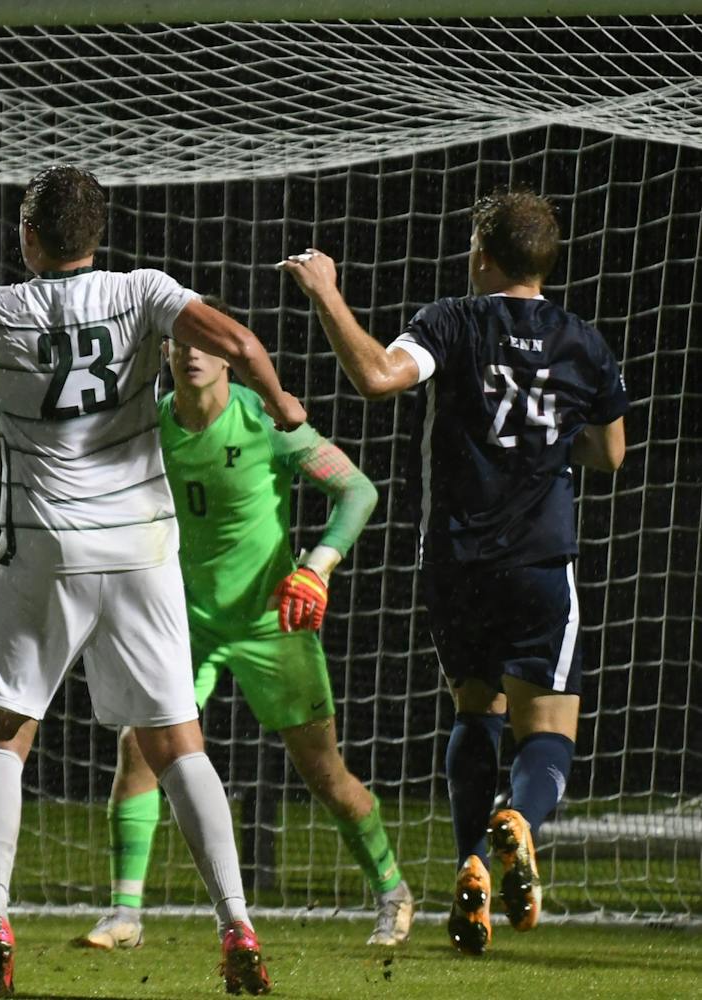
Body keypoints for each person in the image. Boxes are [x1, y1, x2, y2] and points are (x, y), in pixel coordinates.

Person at [0, 165, 306, 997]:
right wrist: (283, 402)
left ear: (27, 237)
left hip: (47, 551)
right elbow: (239, 343)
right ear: (98, 234)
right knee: (179, 744)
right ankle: (237, 925)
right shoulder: (142, 291)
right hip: (143, 549)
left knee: (1, 735)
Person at [279, 187, 627, 956]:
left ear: (481, 257)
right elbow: (610, 453)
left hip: (457, 563)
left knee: (476, 710)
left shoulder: (453, 321)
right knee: (548, 728)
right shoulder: (584, 343)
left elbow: (378, 376)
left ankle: (472, 865)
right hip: (540, 561)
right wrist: (548, 439)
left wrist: (327, 293)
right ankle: (519, 820)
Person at [73, 295, 412, 954]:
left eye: (208, 343)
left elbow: (358, 491)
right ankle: (124, 914)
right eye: (181, 342)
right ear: (165, 351)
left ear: (231, 356)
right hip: (185, 625)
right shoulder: (148, 428)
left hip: (270, 623)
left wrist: (316, 567)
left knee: (325, 775)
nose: (193, 353)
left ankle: (393, 891)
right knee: (138, 751)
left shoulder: (266, 421)